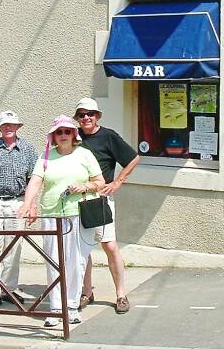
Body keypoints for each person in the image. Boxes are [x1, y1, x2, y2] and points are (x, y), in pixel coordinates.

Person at [17, 115, 105, 327]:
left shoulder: (85, 154)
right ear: (53, 136)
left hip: (77, 213)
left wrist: (84, 187)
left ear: (73, 134)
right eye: (59, 132)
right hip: (51, 214)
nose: (63, 135)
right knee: (53, 261)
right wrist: (28, 204)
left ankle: (72, 306)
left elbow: (100, 182)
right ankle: (56, 308)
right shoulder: (46, 156)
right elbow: (35, 182)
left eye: (67, 131)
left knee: (76, 261)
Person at [75, 97, 140, 315]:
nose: (86, 118)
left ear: (98, 116)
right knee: (82, 250)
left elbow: (133, 158)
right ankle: (86, 292)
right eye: (82, 114)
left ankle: (121, 294)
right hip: (77, 200)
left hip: (100, 199)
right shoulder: (72, 136)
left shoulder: (108, 136)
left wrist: (118, 182)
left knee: (110, 246)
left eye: (90, 114)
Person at [0, 110, 38, 308]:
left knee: (14, 248)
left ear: (18, 127)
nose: (8, 128)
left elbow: (34, 180)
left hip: (18, 202)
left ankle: (8, 289)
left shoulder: (28, 150)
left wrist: (32, 205)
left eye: (12, 124)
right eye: (4, 125)